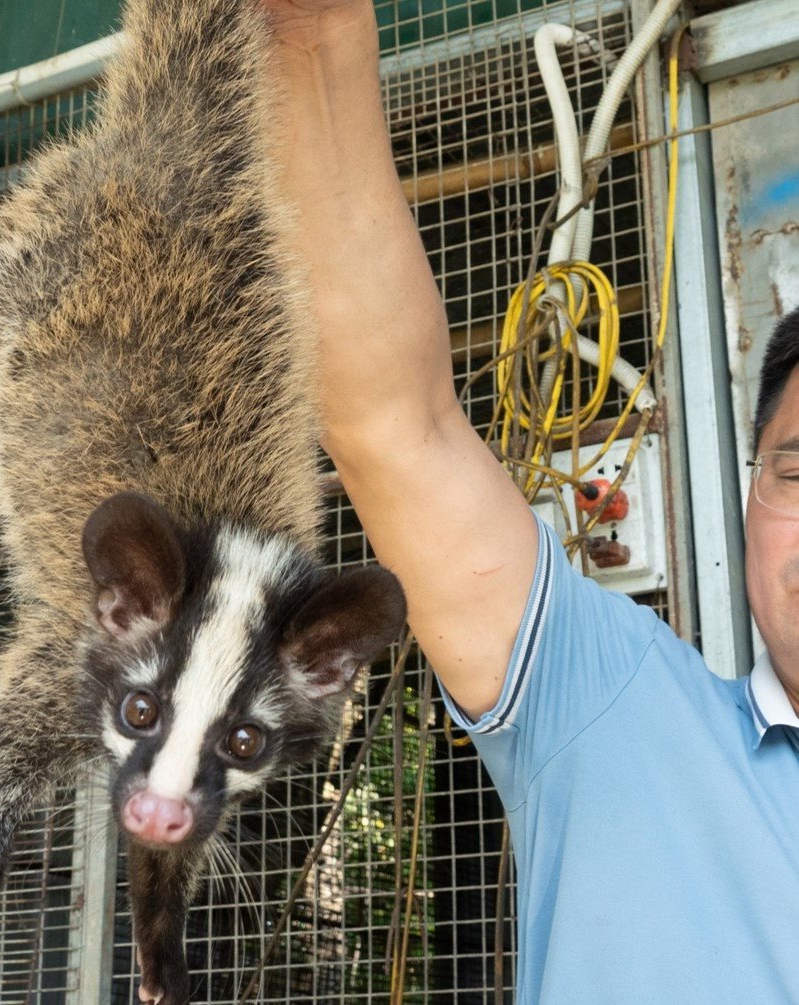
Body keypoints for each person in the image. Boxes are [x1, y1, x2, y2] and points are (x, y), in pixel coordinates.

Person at [260, 0, 799, 998]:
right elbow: (391, 427)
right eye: (795, 473)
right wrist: (312, 32)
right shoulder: (614, 710)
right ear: (748, 501)